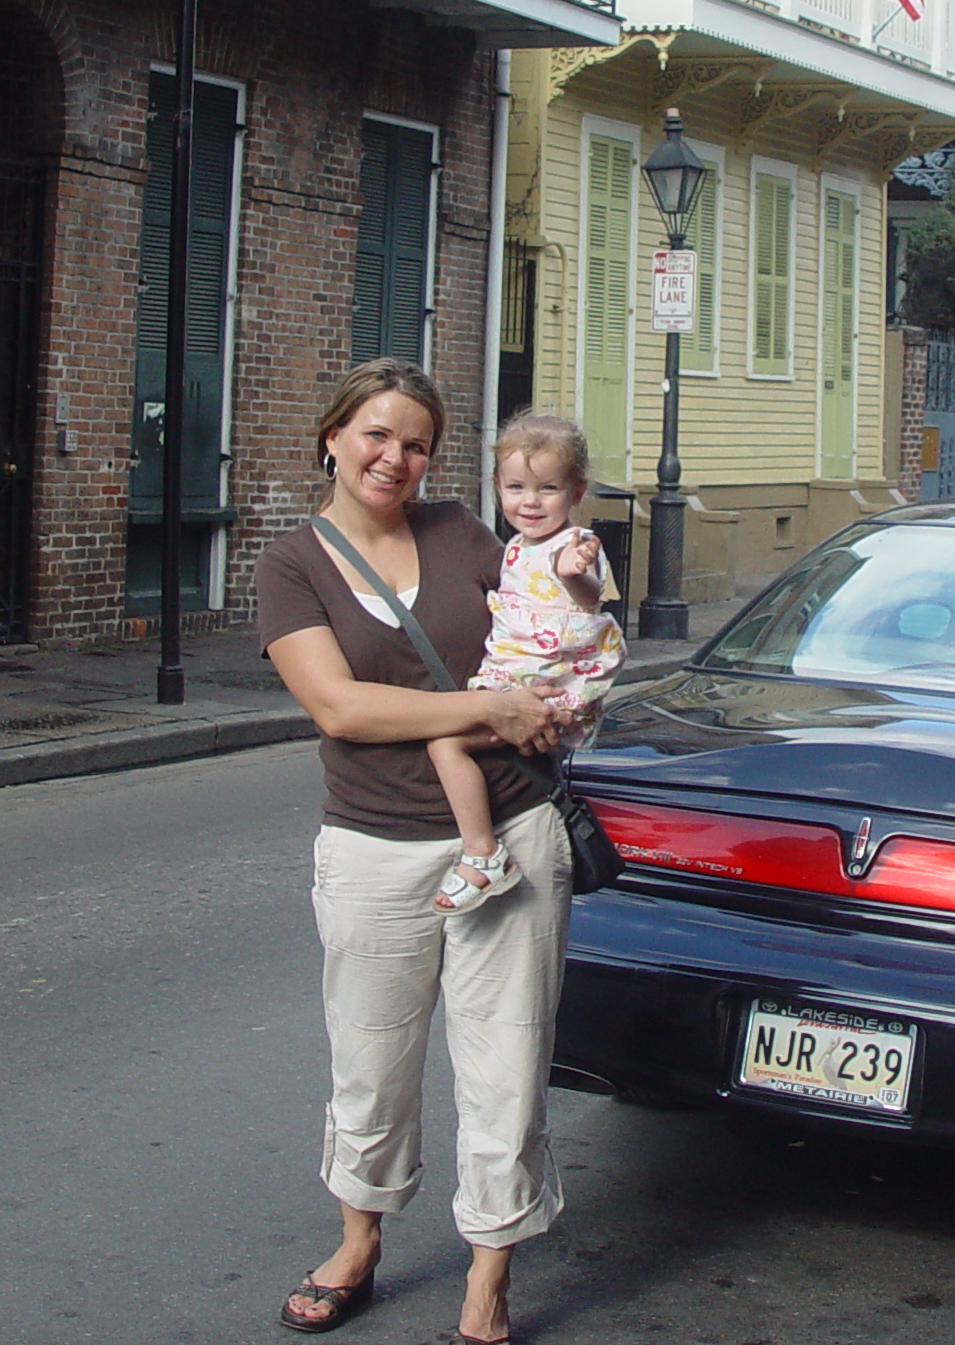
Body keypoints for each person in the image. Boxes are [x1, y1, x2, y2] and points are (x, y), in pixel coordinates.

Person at [256, 357, 566, 1345]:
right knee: (371, 1064)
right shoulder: (292, 562)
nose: (395, 457)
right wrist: (489, 705)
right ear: (333, 437)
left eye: (417, 443)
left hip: (511, 830)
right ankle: (360, 1238)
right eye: (377, 434)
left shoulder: (461, 533)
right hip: (375, 846)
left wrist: (556, 690)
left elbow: (539, 631)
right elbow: (339, 704)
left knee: (505, 1068)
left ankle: (488, 1277)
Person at [428, 411, 623, 914]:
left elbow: (587, 597)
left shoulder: (571, 546)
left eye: (547, 488)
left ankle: (483, 854)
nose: (530, 502)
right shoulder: (515, 546)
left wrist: (574, 572)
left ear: (576, 493)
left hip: (545, 687)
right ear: (497, 488)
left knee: (446, 742)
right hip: (514, 676)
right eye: (516, 487)